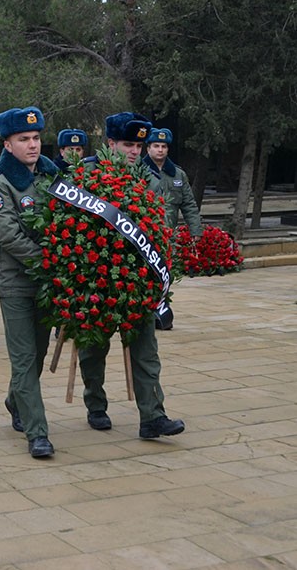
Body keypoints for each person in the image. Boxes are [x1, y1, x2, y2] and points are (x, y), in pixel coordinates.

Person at [78, 112, 185, 439]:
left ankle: (152, 415)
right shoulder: (87, 175)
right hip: (98, 277)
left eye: (139, 144)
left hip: (136, 279)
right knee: (94, 349)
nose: (135, 151)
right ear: (110, 142)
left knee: (146, 348)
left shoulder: (148, 177)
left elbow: (158, 224)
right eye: (128, 144)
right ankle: (96, 405)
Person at [0, 107, 60, 457]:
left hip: (45, 283)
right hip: (15, 282)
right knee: (25, 358)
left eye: (36, 138)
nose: (32, 145)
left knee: (39, 353)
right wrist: (50, 261)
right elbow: (10, 237)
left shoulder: (51, 176)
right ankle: (37, 433)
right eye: (23, 139)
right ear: (8, 144)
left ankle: (16, 401)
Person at [144, 128, 202, 236]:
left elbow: (189, 204)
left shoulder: (178, 175)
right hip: (145, 235)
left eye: (163, 146)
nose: (160, 150)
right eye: (156, 146)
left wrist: (195, 231)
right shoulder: (139, 172)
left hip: (170, 235)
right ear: (148, 149)